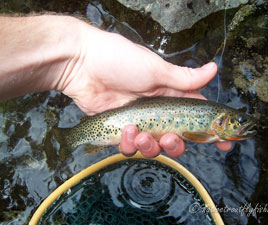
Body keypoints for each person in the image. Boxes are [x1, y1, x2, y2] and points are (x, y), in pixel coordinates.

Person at [0, 15, 232, 158]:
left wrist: (78, 57)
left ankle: (71, 138)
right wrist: (77, 57)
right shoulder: (211, 128)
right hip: (118, 117)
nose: (241, 126)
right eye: (238, 123)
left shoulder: (211, 127)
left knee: (137, 139)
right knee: (135, 138)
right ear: (222, 122)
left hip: (123, 115)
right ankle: (71, 138)